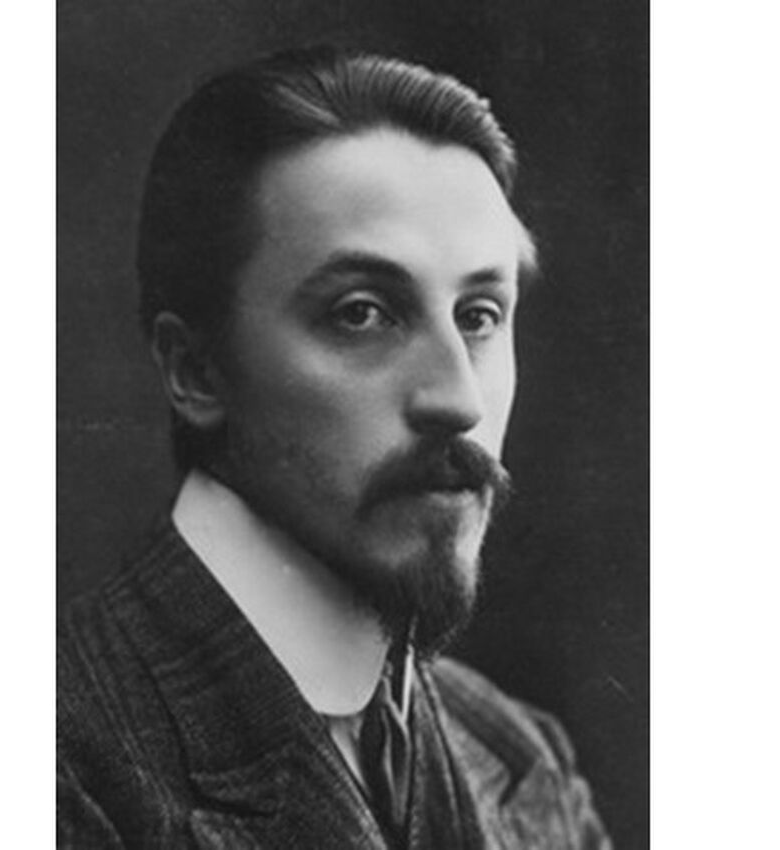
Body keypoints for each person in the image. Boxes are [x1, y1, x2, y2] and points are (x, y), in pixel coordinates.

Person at [57, 46, 612, 849]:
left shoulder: (521, 758)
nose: (459, 400)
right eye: (362, 313)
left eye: (479, 316)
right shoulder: (65, 774)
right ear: (196, 371)